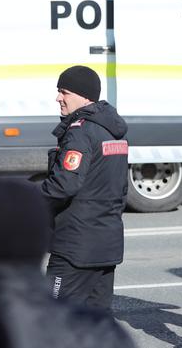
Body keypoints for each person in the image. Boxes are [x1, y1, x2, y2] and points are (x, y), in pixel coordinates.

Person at [0, 179, 136, 348]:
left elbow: (63, 185)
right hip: (104, 237)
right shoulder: (100, 330)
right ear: (40, 242)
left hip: (75, 244)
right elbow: (121, 186)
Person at [41, 65, 129, 310]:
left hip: (75, 247)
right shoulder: (113, 132)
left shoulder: (80, 133)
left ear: (84, 96)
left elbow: (65, 184)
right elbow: (120, 190)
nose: (58, 98)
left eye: (64, 92)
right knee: (96, 324)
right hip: (105, 243)